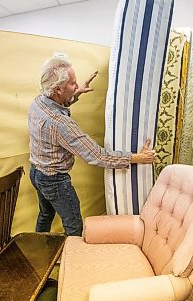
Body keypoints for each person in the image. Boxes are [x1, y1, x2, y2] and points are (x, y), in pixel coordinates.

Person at [28, 58, 155, 236]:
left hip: (36, 173)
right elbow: (98, 155)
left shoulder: (38, 102)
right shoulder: (60, 124)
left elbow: (56, 106)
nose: (77, 84)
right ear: (58, 89)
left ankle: (38, 249)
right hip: (53, 180)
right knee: (74, 226)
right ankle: (73, 260)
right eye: (72, 83)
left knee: (45, 213)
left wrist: (76, 93)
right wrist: (137, 158)